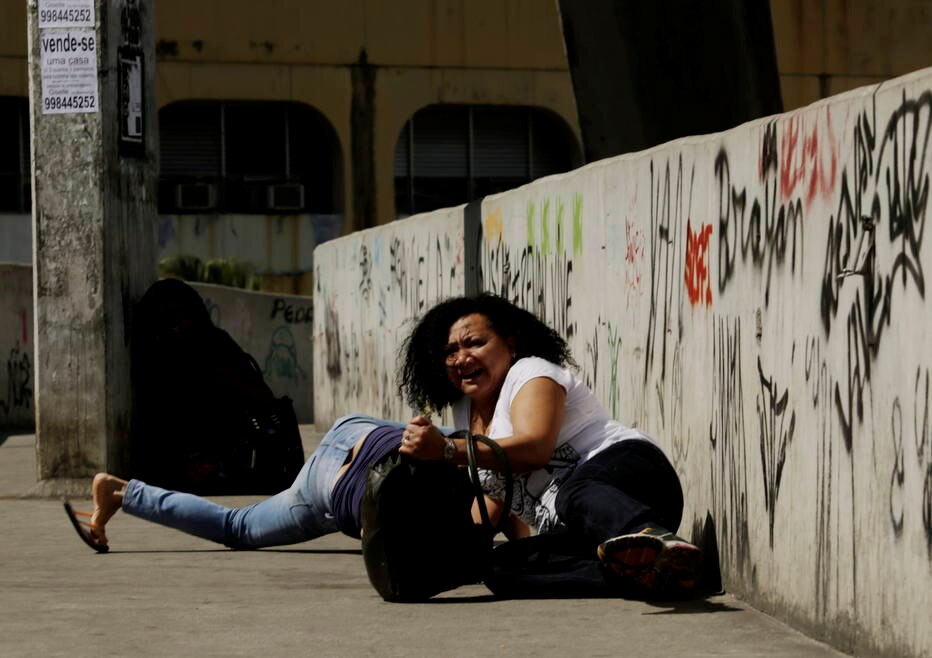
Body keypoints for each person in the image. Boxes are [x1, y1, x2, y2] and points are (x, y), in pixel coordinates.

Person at [396, 293, 702, 597]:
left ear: (511, 344)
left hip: (633, 478)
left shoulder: (531, 372)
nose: (462, 358)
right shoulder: (465, 409)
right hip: (587, 529)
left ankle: (655, 540)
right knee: (499, 566)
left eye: (475, 343)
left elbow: (534, 449)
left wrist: (448, 450)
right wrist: (447, 556)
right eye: (450, 351)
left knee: (574, 493)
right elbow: (495, 498)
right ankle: (658, 574)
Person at [65, 415, 414, 552]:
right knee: (235, 526)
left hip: (359, 428)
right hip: (333, 483)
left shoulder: (462, 448)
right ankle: (120, 493)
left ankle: (118, 492)